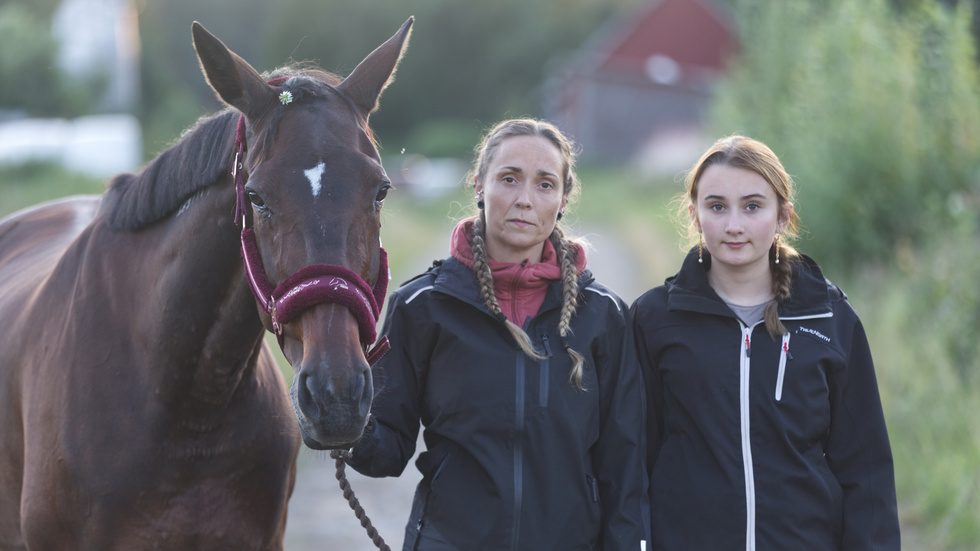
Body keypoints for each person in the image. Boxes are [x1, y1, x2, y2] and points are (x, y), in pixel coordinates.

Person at [347, 118, 647, 550]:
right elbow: (386, 451)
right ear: (479, 186)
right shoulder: (423, 306)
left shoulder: (604, 314)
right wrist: (342, 419)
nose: (525, 199)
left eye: (545, 185)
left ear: (563, 199)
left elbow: (625, 467)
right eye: (509, 179)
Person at [631, 135, 900, 550]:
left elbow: (866, 469)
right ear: (696, 215)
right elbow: (632, 461)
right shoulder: (655, 319)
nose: (734, 225)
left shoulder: (830, 318)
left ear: (782, 217)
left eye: (752, 206)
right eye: (717, 206)